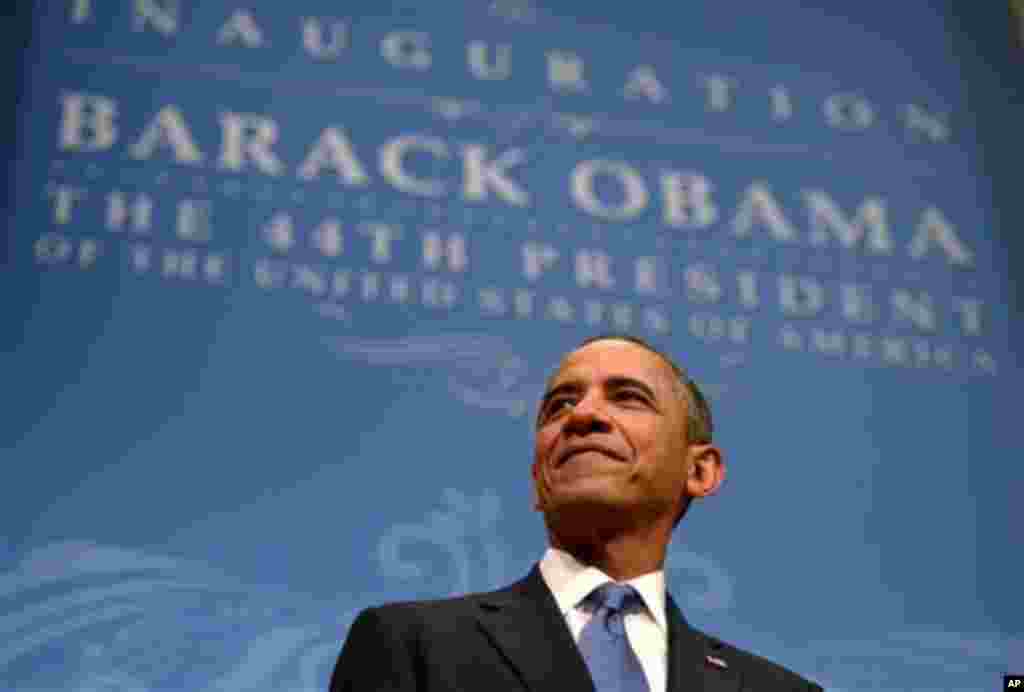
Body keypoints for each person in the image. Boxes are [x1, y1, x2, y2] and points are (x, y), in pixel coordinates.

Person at [329, 335, 821, 692]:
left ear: (700, 470)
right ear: (537, 479)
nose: (582, 416)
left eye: (629, 398)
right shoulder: (414, 646)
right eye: (559, 405)